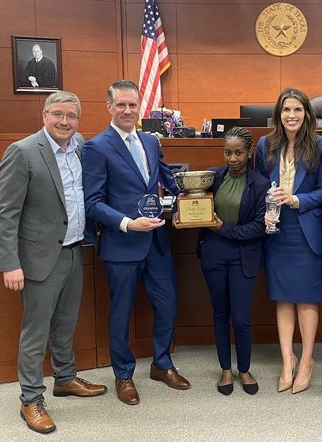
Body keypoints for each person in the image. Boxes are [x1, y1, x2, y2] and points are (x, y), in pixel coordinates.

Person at [0, 91, 107, 434]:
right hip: (39, 258)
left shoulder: (81, 146)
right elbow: (6, 213)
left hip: (74, 250)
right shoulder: (23, 152)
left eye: (71, 116)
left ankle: (65, 378)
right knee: (36, 331)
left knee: (66, 323)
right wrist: (9, 263)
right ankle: (30, 399)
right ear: (45, 115)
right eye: (58, 114)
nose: (64, 121)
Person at [82, 80, 190, 406]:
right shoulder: (96, 147)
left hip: (156, 241)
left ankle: (162, 363)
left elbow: (167, 180)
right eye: (121, 105)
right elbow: (93, 203)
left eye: (133, 105)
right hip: (122, 244)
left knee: (168, 303)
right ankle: (124, 374)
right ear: (109, 107)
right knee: (121, 313)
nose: (128, 111)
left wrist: (201, 192)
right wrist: (128, 223)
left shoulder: (151, 141)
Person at [255, 87, 322, 394]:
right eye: (286, 110)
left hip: (306, 231)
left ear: (307, 114)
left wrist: (296, 199)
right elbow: (259, 185)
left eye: (298, 110)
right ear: (278, 115)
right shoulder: (265, 144)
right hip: (277, 230)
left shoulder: (321, 145)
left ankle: (308, 359)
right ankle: (288, 360)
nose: (291, 115)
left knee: (306, 298)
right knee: (283, 297)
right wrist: (266, 209)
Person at [196, 127, 270, 396]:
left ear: (250, 152)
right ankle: (226, 369)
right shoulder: (212, 178)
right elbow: (194, 203)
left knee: (241, 318)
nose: (233, 158)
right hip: (214, 253)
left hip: (244, 255)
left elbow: (259, 228)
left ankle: (244, 368)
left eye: (239, 153)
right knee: (220, 314)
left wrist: (222, 228)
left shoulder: (260, 184)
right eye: (228, 152)